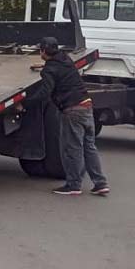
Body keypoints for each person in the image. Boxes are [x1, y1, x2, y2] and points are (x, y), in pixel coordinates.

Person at [25, 36, 109, 196]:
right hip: (86, 105)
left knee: (72, 149)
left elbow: (45, 93)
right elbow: (57, 68)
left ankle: (73, 185)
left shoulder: (49, 70)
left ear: (43, 51)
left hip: (72, 110)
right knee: (89, 147)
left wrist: (26, 103)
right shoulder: (65, 59)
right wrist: (43, 66)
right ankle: (100, 183)